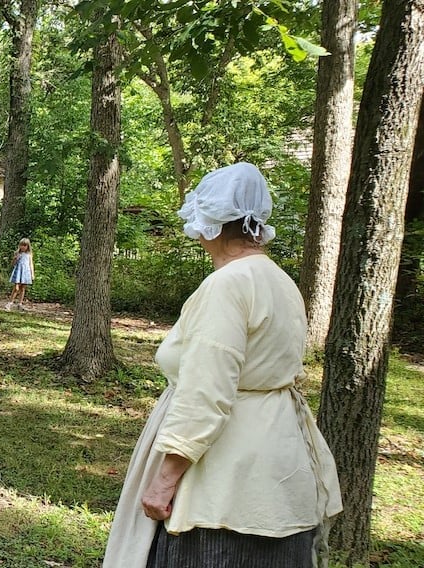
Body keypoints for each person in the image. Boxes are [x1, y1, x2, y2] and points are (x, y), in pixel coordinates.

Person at [102, 163, 342, 567]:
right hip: (281, 466)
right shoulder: (279, 280)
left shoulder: (228, 285)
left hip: (225, 481)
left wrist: (163, 480)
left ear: (213, 225)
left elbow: (206, 392)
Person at [4, 237, 34, 311]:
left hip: (25, 272)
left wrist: (32, 273)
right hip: (18, 272)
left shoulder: (29, 254)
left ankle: (20, 303)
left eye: (25, 245)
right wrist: (15, 259)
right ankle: (10, 303)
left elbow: (31, 264)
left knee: (23, 288)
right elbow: (13, 264)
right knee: (16, 288)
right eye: (21, 245)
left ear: (28, 246)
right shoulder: (17, 253)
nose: (23, 247)